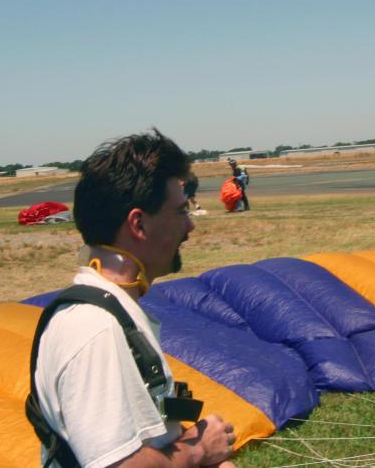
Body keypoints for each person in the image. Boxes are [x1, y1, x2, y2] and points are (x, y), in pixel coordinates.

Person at [31, 130, 236, 468]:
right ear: (139, 224)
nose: (190, 227)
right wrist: (198, 451)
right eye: (180, 211)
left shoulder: (114, 311)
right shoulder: (93, 328)